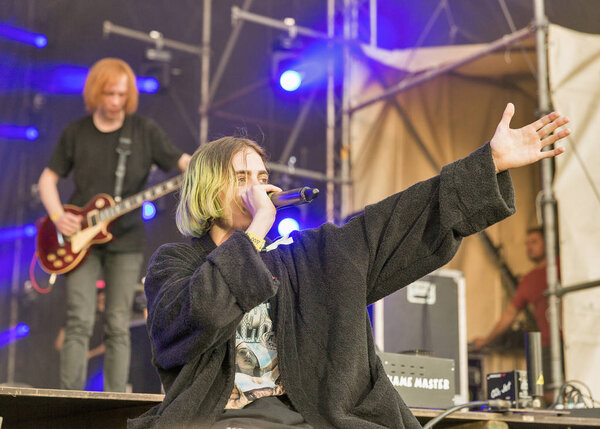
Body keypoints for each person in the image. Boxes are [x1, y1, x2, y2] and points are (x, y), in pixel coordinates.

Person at [129, 103, 569, 428]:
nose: (258, 190)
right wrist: (253, 235)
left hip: (312, 417)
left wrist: (487, 163)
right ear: (208, 190)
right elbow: (194, 318)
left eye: (263, 178)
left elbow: (391, 223)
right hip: (223, 419)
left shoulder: (308, 258)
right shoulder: (175, 262)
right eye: (241, 179)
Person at [38, 57, 191, 392]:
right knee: (78, 320)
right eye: (109, 94)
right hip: (80, 241)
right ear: (96, 92)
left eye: (122, 95)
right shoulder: (76, 133)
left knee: (118, 323)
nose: (116, 102)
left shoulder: (144, 131)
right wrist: (56, 216)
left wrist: (204, 165)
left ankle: (114, 402)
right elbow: (47, 179)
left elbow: (181, 162)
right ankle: (69, 400)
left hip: (127, 239)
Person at [471, 226, 562, 404]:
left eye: (534, 242)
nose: (529, 247)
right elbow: (509, 314)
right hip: (546, 346)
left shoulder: (566, 266)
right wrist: (486, 340)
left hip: (574, 341)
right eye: (527, 243)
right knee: (546, 391)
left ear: (548, 242)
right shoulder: (529, 280)